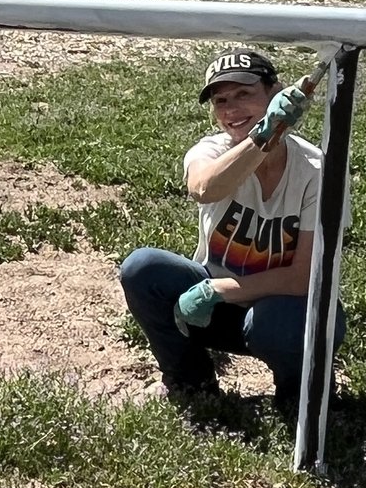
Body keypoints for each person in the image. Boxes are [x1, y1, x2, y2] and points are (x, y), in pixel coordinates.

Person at [118, 47, 344, 422]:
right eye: (221, 100)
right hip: (208, 310)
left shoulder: (316, 171)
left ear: (275, 94)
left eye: (244, 94)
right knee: (143, 269)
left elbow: (305, 277)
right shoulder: (211, 150)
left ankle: (298, 390)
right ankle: (190, 381)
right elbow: (205, 187)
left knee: (285, 323)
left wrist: (220, 289)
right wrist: (264, 135)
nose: (231, 109)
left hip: (278, 309)